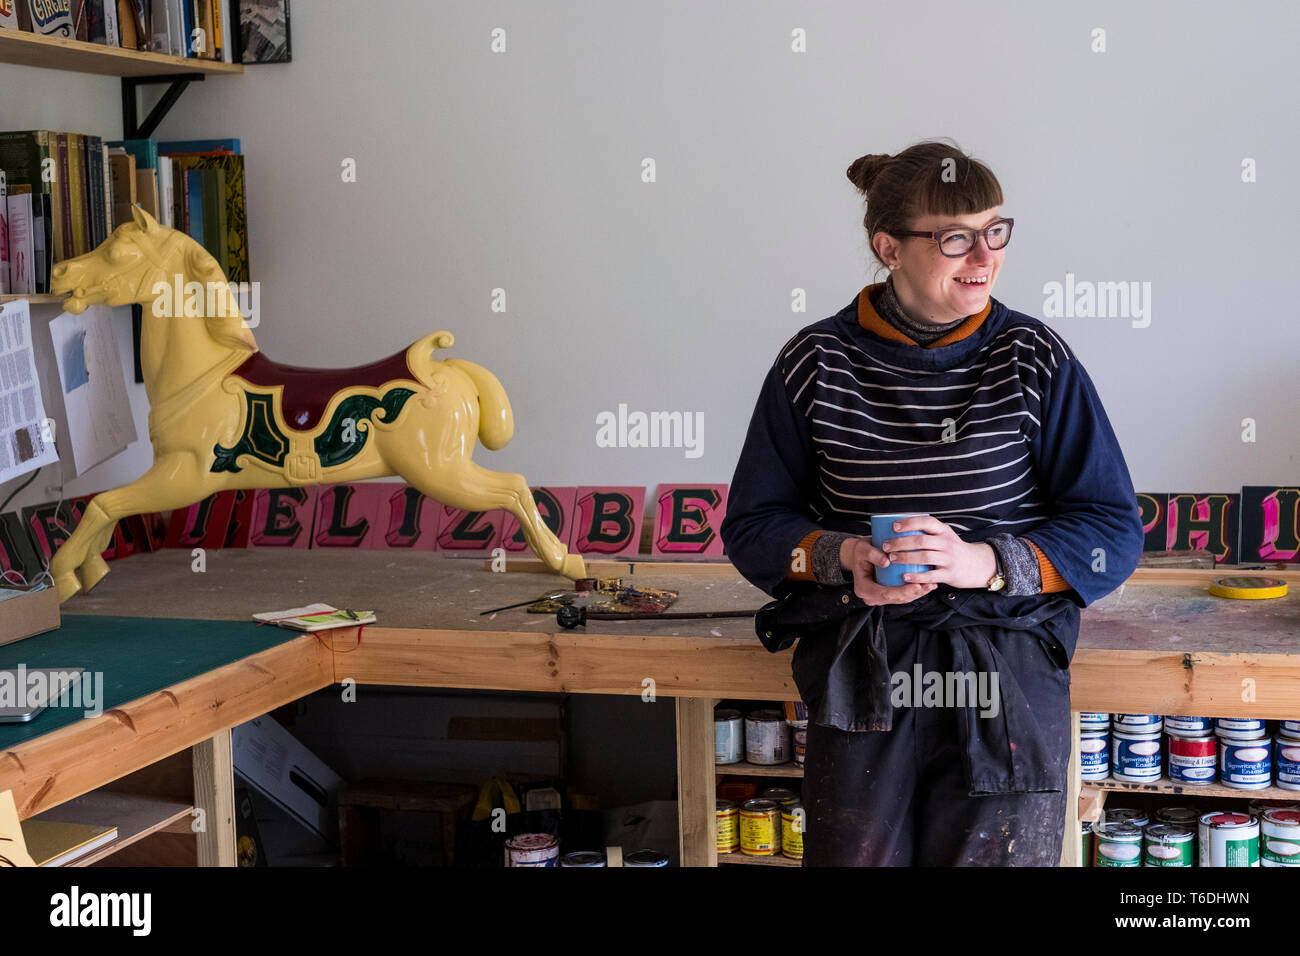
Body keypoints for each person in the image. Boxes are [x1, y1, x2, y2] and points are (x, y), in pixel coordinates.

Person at [720, 140, 1144, 866]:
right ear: (889, 246)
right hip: (864, 663)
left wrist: (983, 562)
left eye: (995, 231)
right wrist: (838, 554)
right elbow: (755, 524)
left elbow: (1110, 529)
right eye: (954, 238)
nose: (983, 255)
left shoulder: (1034, 359)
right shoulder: (814, 363)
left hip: (1003, 669)